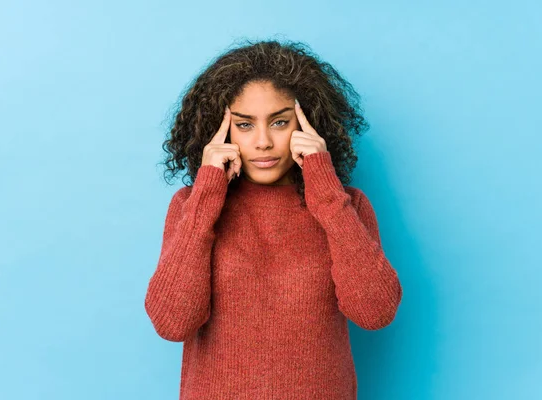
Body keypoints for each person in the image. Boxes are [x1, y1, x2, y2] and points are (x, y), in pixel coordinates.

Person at [144, 39, 403, 399]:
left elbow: (375, 312)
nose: (263, 141)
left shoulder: (347, 207)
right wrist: (205, 197)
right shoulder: (191, 206)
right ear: (221, 131)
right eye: (245, 125)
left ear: (308, 126)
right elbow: (173, 323)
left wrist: (327, 193)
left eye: (279, 122)